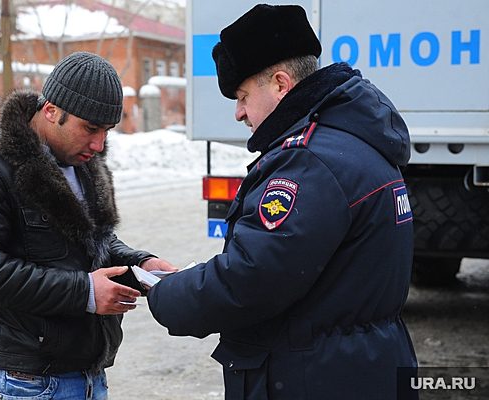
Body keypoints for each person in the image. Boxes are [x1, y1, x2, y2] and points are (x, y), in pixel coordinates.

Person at [147, 4, 417, 400]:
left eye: (241, 96)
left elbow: (253, 279)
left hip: (317, 379)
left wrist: (166, 293)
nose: (239, 113)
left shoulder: (309, 162)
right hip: (358, 367)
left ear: (280, 83)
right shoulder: (355, 141)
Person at [0, 52, 176, 400]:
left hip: (88, 376)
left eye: (107, 131)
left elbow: (96, 241)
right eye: (90, 129)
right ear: (51, 110)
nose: (99, 145)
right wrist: (83, 291)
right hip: (24, 383)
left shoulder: (83, 162)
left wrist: (140, 263)